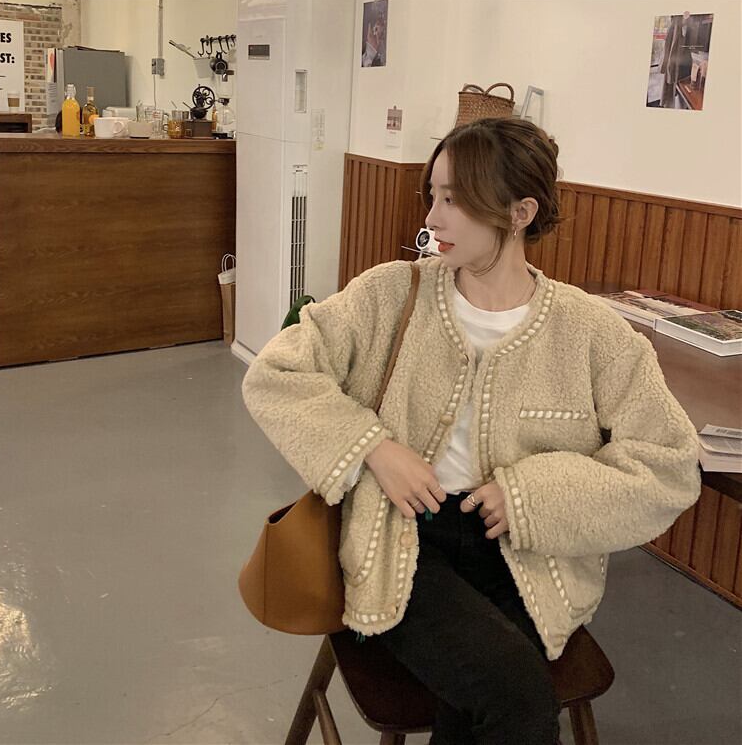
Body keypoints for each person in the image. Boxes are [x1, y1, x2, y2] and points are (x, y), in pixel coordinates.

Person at [242, 117, 701, 744]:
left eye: (454, 199)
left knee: (491, 700)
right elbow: (276, 374)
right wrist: (374, 448)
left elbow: (669, 467)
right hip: (403, 541)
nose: (432, 217)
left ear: (519, 212)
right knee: (515, 697)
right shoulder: (390, 294)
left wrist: (532, 496)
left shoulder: (592, 334)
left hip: (532, 557)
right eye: (432, 195)